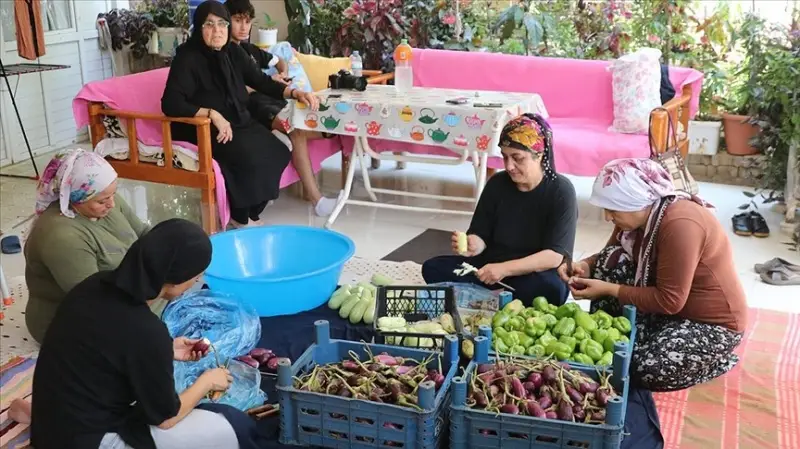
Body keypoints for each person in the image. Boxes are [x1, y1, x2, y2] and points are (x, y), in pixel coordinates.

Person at [30, 219, 239, 449]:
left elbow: (107, 344)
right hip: (88, 439)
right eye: (196, 275)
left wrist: (166, 350)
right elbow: (165, 418)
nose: (197, 282)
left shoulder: (91, 286)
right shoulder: (147, 331)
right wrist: (207, 382)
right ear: (176, 277)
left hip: (49, 427)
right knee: (231, 427)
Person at [560, 158, 747, 392]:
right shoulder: (639, 216)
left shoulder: (681, 225)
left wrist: (608, 289)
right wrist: (585, 265)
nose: (608, 217)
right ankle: (636, 335)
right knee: (609, 265)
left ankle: (715, 361)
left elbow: (669, 301)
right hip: (670, 311)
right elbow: (609, 254)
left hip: (710, 323)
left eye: (612, 209)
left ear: (636, 202)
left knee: (645, 369)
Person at [162, 1, 319, 229]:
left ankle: (250, 212)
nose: (217, 31)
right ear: (199, 27)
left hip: (237, 121)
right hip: (204, 128)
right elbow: (171, 103)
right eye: (209, 24)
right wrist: (211, 113)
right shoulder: (187, 58)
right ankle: (238, 214)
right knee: (248, 158)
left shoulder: (233, 52)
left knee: (279, 151)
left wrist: (296, 92)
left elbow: (260, 81)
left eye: (222, 24)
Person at [422, 114, 578, 306]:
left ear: (539, 155)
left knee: (550, 289)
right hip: (491, 268)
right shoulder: (497, 184)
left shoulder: (561, 190)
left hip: (532, 272)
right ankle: (499, 298)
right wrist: (473, 244)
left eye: (517, 158)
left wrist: (505, 269)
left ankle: (485, 297)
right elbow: (481, 234)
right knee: (432, 268)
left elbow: (554, 256)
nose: (509, 166)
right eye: (505, 157)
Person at [225, 0, 340, 217]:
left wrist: (280, 74)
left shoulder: (249, 50)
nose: (243, 27)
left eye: (247, 21)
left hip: (269, 98)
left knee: (307, 126)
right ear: (227, 20)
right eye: (237, 20)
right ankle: (317, 200)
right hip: (252, 106)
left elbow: (278, 60)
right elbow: (234, 89)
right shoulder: (225, 53)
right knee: (295, 130)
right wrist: (262, 84)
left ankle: (318, 132)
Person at [24, 149, 149, 344]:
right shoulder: (62, 236)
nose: (112, 204)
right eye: (102, 201)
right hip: (69, 323)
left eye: (113, 194)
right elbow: (94, 300)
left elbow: (144, 234)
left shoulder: (106, 199)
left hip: (121, 296)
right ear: (76, 197)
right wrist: (157, 290)